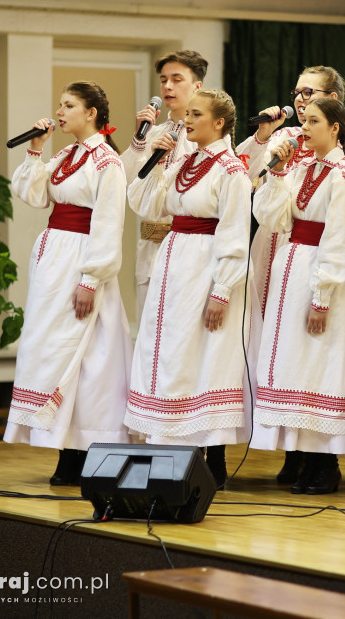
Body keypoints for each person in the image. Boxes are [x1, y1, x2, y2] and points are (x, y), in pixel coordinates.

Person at [237, 65, 345, 486]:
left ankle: (324, 459)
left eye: (310, 97)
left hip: (326, 267)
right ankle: (295, 448)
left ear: (334, 109)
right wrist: (276, 171)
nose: (299, 104)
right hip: (291, 264)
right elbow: (271, 215)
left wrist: (327, 287)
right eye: (297, 94)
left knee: (323, 358)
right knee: (291, 358)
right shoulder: (293, 153)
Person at [124, 89, 253, 488]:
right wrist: (155, 159)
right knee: (171, 352)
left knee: (207, 355)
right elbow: (143, 204)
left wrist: (222, 290)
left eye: (197, 114)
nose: (187, 119)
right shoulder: (185, 161)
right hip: (174, 261)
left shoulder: (232, 171)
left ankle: (213, 456)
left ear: (219, 123)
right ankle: (169, 443)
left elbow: (235, 235)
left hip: (206, 263)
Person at [4, 81, 131, 486]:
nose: (60, 112)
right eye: (59, 105)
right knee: (52, 349)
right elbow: (32, 192)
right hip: (53, 262)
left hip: (81, 262)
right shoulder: (66, 154)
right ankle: (63, 446)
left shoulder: (107, 162)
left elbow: (110, 223)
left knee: (88, 358)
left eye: (69, 105)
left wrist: (90, 279)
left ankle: (83, 451)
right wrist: (36, 148)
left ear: (91, 112)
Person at [120, 50, 206, 316]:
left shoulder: (205, 135)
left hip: (187, 245)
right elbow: (125, 180)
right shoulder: (153, 132)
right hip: (150, 244)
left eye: (177, 79)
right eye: (163, 80)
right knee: (149, 328)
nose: (168, 86)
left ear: (197, 86)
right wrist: (138, 138)